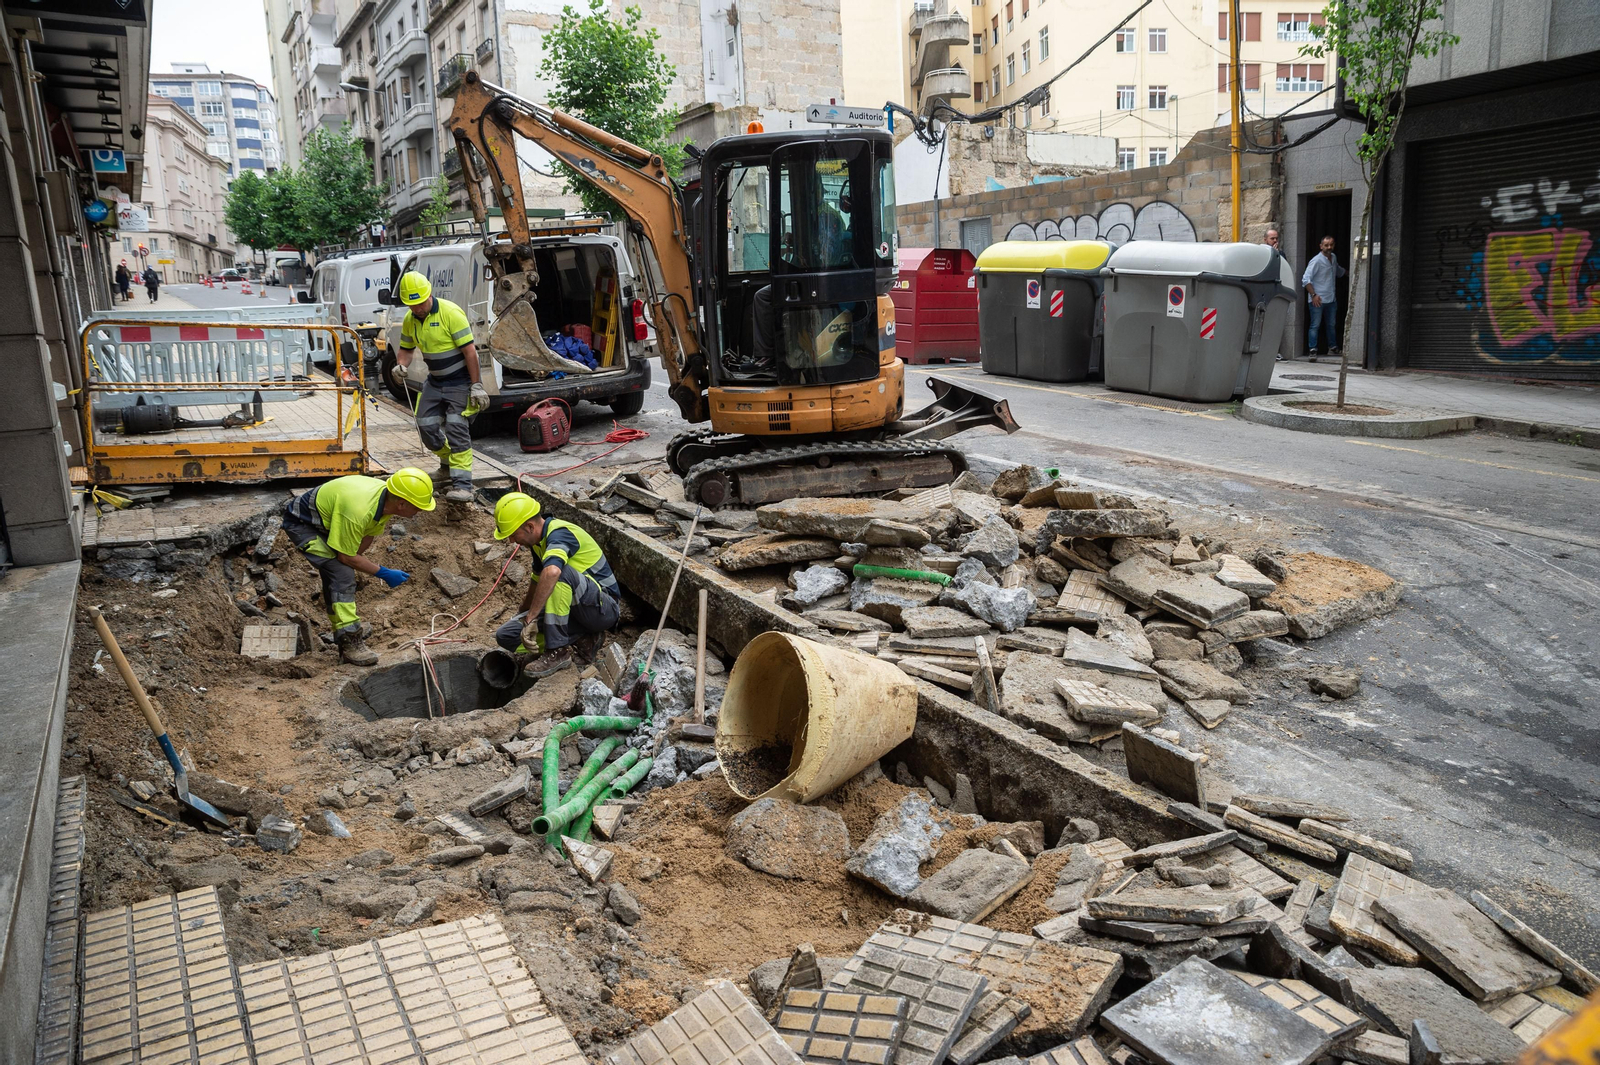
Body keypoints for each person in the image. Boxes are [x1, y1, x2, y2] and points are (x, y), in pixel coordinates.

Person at [282, 468, 437, 665]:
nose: (420, 511)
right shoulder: (359, 510)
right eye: (418, 507)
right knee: (342, 572)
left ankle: (342, 632)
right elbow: (346, 557)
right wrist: (383, 572)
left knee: (340, 574)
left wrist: (356, 560)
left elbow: (367, 534)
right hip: (302, 524)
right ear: (402, 504)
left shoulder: (386, 500)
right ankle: (350, 642)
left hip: (328, 522)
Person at [491, 492, 621, 677]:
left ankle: (557, 651)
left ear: (529, 526)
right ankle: (583, 639)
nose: (511, 540)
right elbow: (537, 582)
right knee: (506, 635)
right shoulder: (537, 544)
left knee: (558, 572)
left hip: (603, 609)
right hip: (575, 612)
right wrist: (524, 616)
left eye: (512, 534)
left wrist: (532, 617)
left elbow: (553, 573)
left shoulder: (560, 534)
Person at [393, 271, 487, 504]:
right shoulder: (410, 319)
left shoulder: (450, 313)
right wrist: (400, 366)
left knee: (456, 427)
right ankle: (447, 464)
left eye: (420, 303)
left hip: (459, 381)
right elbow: (406, 349)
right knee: (425, 425)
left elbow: (469, 352)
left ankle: (463, 486)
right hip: (435, 381)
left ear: (429, 294)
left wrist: (476, 385)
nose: (417, 309)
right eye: (411, 305)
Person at [1302, 234, 1346, 357]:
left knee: (1331, 325)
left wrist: (1349, 273)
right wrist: (1313, 295)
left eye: (1331, 244)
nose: (1329, 247)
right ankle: (1313, 349)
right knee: (1315, 325)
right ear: (1321, 246)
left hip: (1331, 299)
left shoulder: (1333, 257)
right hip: (1318, 299)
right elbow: (1306, 279)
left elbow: (1337, 270)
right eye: (1326, 245)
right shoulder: (1316, 261)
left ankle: (1332, 347)